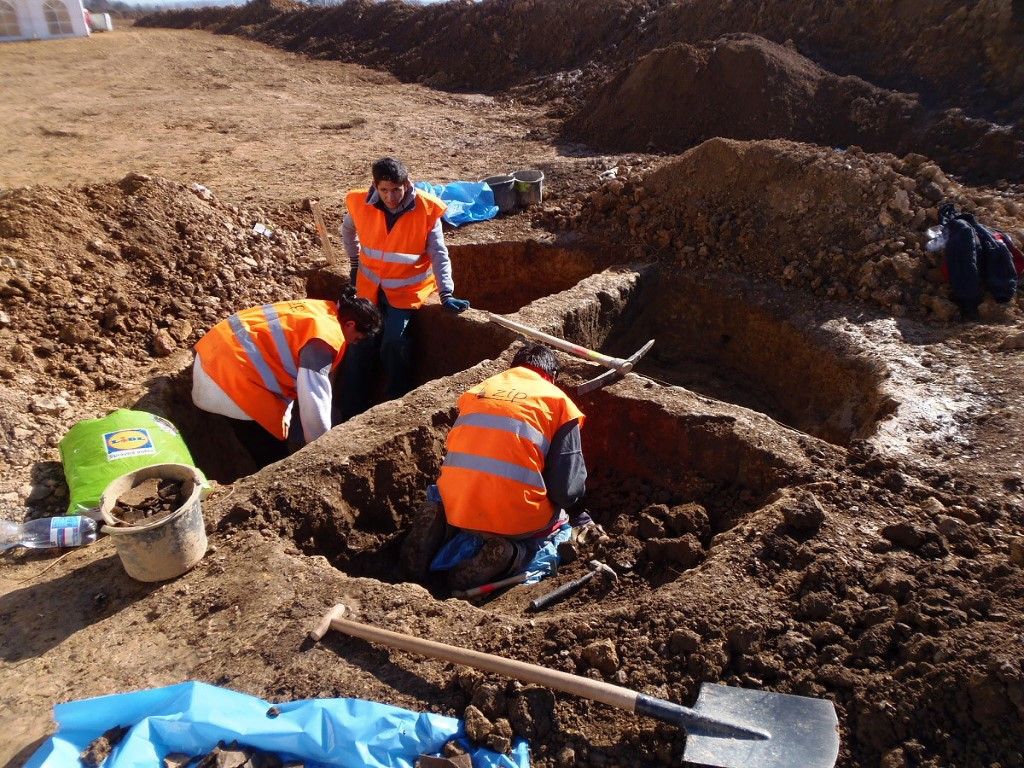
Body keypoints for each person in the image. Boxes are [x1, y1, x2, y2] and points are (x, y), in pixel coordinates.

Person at [400, 344, 587, 591]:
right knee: (560, 524)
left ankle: (440, 526)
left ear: (515, 368)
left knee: (448, 492)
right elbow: (566, 490)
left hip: (457, 506)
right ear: (551, 377)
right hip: (516, 522)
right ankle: (511, 554)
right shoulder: (558, 403)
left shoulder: (478, 391)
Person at [339, 156, 470, 419]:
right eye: (384, 190)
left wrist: (446, 292)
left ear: (407, 184)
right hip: (369, 288)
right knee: (360, 344)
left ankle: (395, 406)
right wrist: (354, 264)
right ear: (374, 186)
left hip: (405, 291)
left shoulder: (426, 210)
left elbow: (438, 253)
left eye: (396, 189)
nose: (390, 197)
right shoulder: (359, 203)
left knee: (394, 342)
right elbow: (347, 230)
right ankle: (351, 411)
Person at [192, 292, 380, 466]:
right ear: (350, 324)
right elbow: (313, 398)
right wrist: (322, 449)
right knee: (273, 455)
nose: (352, 343)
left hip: (208, 357)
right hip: (229, 384)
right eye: (356, 339)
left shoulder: (319, 309)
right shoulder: (325, 338)